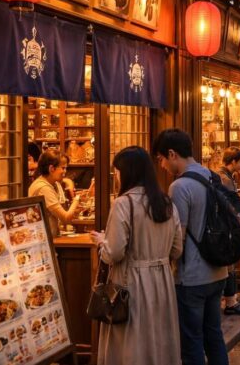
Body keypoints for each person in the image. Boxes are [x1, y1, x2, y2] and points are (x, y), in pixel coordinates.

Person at [90, 147, 182, 365]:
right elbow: (177, 249)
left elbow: (114, 253)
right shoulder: (166, 203)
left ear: (126, 173)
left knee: (132, 341)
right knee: (159, 337)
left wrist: (102, 242)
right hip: (162, 282)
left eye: (117, 171)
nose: (116, 176)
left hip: (131, 283)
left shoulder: (123, 203)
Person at [152, 129, 230, 365]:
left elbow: (179, 237)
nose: (162, 166)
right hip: (218, 270)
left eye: (162, 159)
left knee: (191, 341)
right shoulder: (213, 177)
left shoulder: (179, 187)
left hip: (192, 277)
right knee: (214, 335)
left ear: (172, 154)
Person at [218, 148, 240, 316]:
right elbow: (229, 204)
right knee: (229, 265)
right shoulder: (224, 179)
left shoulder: (226, 176)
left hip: (226, 226)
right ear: (232, 161)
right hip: (226, 228)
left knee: (229, 265)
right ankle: (231, 302)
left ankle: (230, 300)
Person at [28, 150, 90, 237]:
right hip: (43, 240)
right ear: (51, 169)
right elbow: (65, 218)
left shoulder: (54, 184)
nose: (65, 171)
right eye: (63, 168)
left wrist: (76, 210)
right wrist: (77, 199)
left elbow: (64, 215)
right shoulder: (43, 188)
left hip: (51, 237)